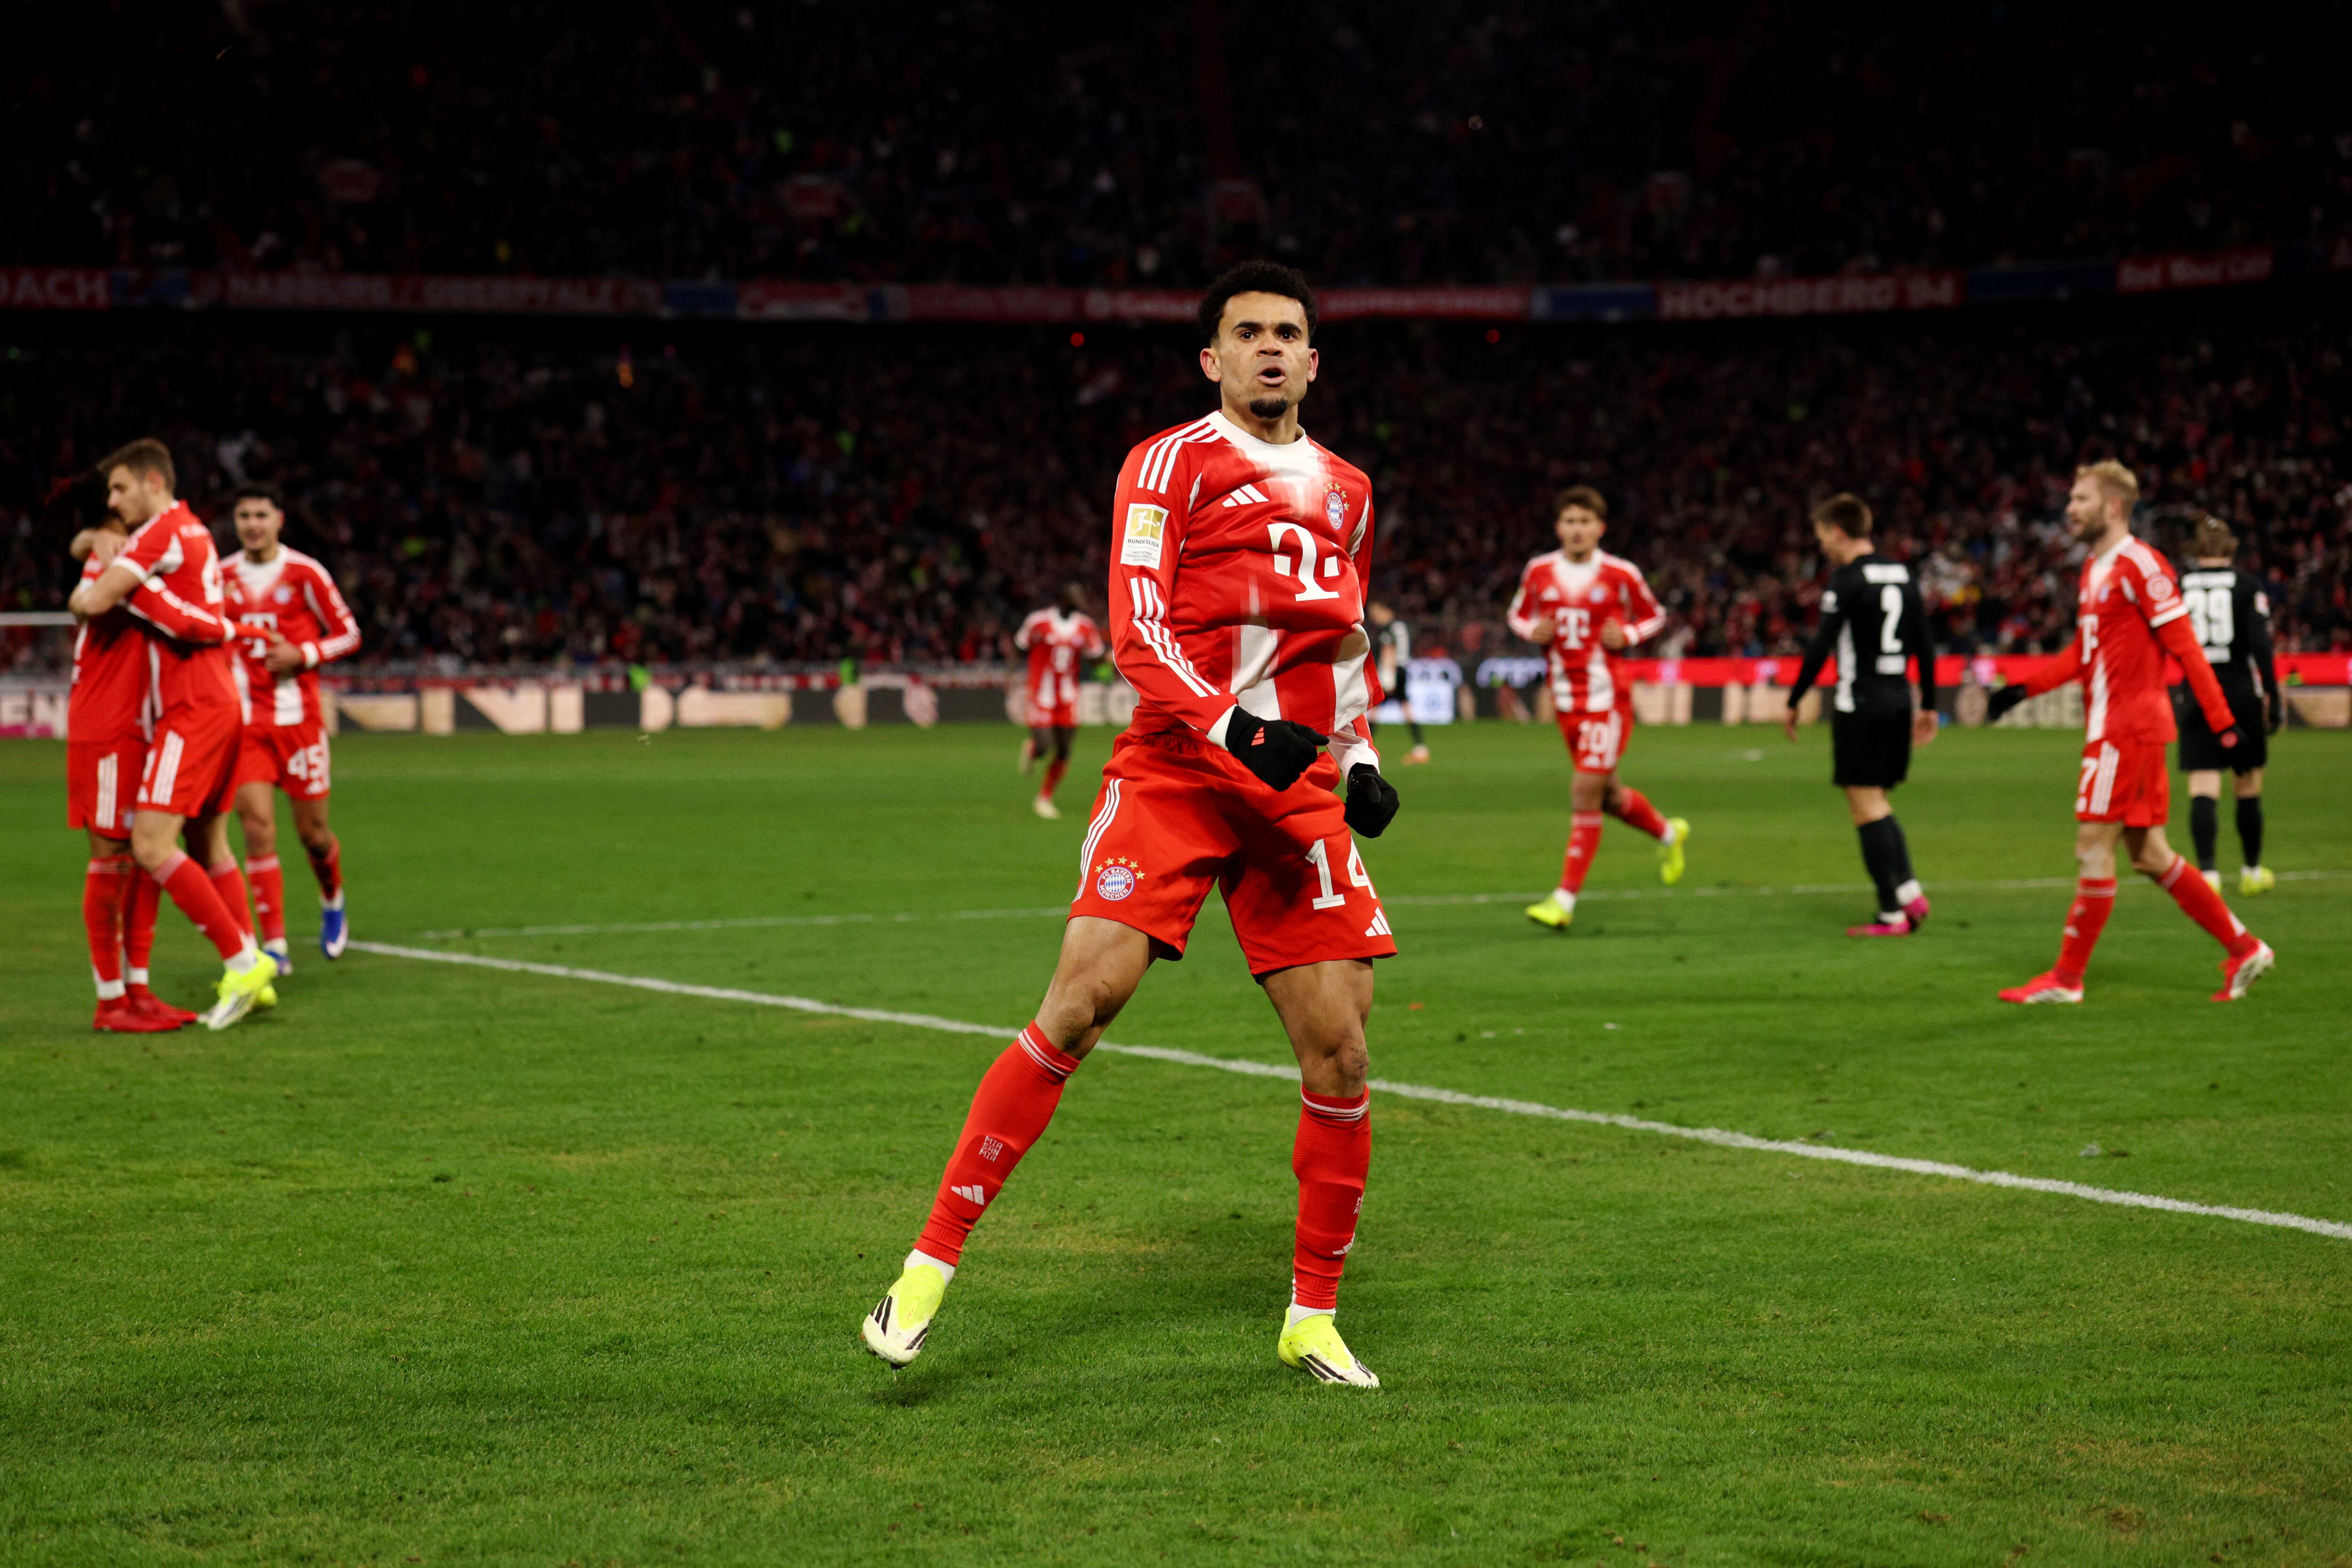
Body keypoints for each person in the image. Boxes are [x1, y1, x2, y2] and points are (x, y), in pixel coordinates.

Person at [860, 261, 1401, 1387]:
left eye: (1286, 333)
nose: (1267, 348)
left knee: (1341, 1050)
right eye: (1245, 332)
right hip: (1176, 765)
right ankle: (927, 1268)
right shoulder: (1168, 462)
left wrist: (1359, 757)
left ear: (1312, 360)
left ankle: (1311, 1314)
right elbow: (1137, 632)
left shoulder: (1348, 489)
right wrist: (1228, 725)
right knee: (1081, 1001)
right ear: (1213, 359)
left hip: (1292, 783)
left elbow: (1344, 648)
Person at [1986, 462, 2271, 1003]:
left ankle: (2066, 979)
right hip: (2113, 728)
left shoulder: (2141, 564)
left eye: (2079, 499)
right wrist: (2021, 690)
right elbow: (2082, 654)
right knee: (2148, 854)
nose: (2068, 509)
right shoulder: (2094, 570)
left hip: (2127, 729)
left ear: (2112, 506)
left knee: (2092, 846)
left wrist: (2224, 727)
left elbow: (2185, 647)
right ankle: (2244, 948)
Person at [67, 440, 280, 1029]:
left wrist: (89, 586)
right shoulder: (182, 535)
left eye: (119, 489)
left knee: (149, 849)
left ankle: (234, 965)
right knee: (197, 844)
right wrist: (89, 544)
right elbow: (97, 585)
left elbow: (96, 598)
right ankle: (133, 993)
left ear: (152, 483)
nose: (113, 502)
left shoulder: (160, 535)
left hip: (187, 710)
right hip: (178, 708)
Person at [1509, 486, 1688, 931]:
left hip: (1607, 701)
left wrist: (1627, 636)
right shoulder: (1540, 570)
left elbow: (1656, 615)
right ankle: (1669, 833)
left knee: (1584, 793)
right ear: (1559, 528)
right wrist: (1533, 630)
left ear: (1600, 529)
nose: (1577, 529)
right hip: (1567, 701)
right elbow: (1517, 614)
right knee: (1608, 796)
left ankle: (1563, 900)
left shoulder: (1620, 572)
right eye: (1570, 521)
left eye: (1585, 521)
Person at [66, 510, 215, 1032]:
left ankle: (137, 990)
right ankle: (110, 1002)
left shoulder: (148, 559)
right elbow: (85, 600)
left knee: (141, 856)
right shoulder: (113, 559)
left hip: (140, 721)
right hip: (106, 721)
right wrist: (94, 542)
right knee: (110, 855)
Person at [1782, 493, 1940, 935]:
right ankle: (1907, 892)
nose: (1821, 546)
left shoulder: (1846, 579)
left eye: (1820, 536)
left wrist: (1795, 699)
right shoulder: (1902, 572)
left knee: (1866, 807)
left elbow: (1822, 644)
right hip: (1898, 700)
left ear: (1838, 531)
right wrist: (1929, 703)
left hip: (1861, 702)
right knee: (1878, 802)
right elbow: (1925, 644)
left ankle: (1894, 911)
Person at [224, 483, 361, 969]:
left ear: (279, 519)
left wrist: (303, 654)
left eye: (261, 514)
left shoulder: (305, 573)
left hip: (300, 724)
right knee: (257, 829)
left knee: (314, 835)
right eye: (244, 516)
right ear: (235, 522)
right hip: (246, 725)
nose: (253, 524)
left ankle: (332, 900)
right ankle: (275, 946)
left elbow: (349, 633)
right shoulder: (220, 578)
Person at [2172, 517, 2284, 896]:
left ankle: (2208, 876)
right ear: (2231, 548)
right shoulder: (2247, 586)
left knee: (2203, 786)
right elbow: (2261, 647)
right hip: (2238, 692)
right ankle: (2251, 871)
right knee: (2247, 784)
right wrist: (2273, 696)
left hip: (2196, 693)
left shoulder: (2180, 587)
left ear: (2196, 549)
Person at [1013, 582, 1105, 819]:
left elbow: (1095, 657)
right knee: (1044, 746)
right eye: (1075, 596)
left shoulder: (1085, 626)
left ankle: (1044, 798)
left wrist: (1110, 658)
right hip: (1041, 693)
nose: (1080, 600)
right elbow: (1021, 645)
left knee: (1064, 749)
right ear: (1063, 598)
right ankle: (1034, 750)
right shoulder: (1039, 621)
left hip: (1068, 695)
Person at [1367, 602, 1431, 764]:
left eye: (1376, 614)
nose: (1375, 619)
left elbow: (1389, 651)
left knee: (1376, 706)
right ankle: (1421, 747)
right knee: (1405, 707)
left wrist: (1387, 677)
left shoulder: (1388, 629)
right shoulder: (1401, 626)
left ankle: (1366, 746)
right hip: (1402, 669)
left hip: (1393, 671)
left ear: (1386, 611)